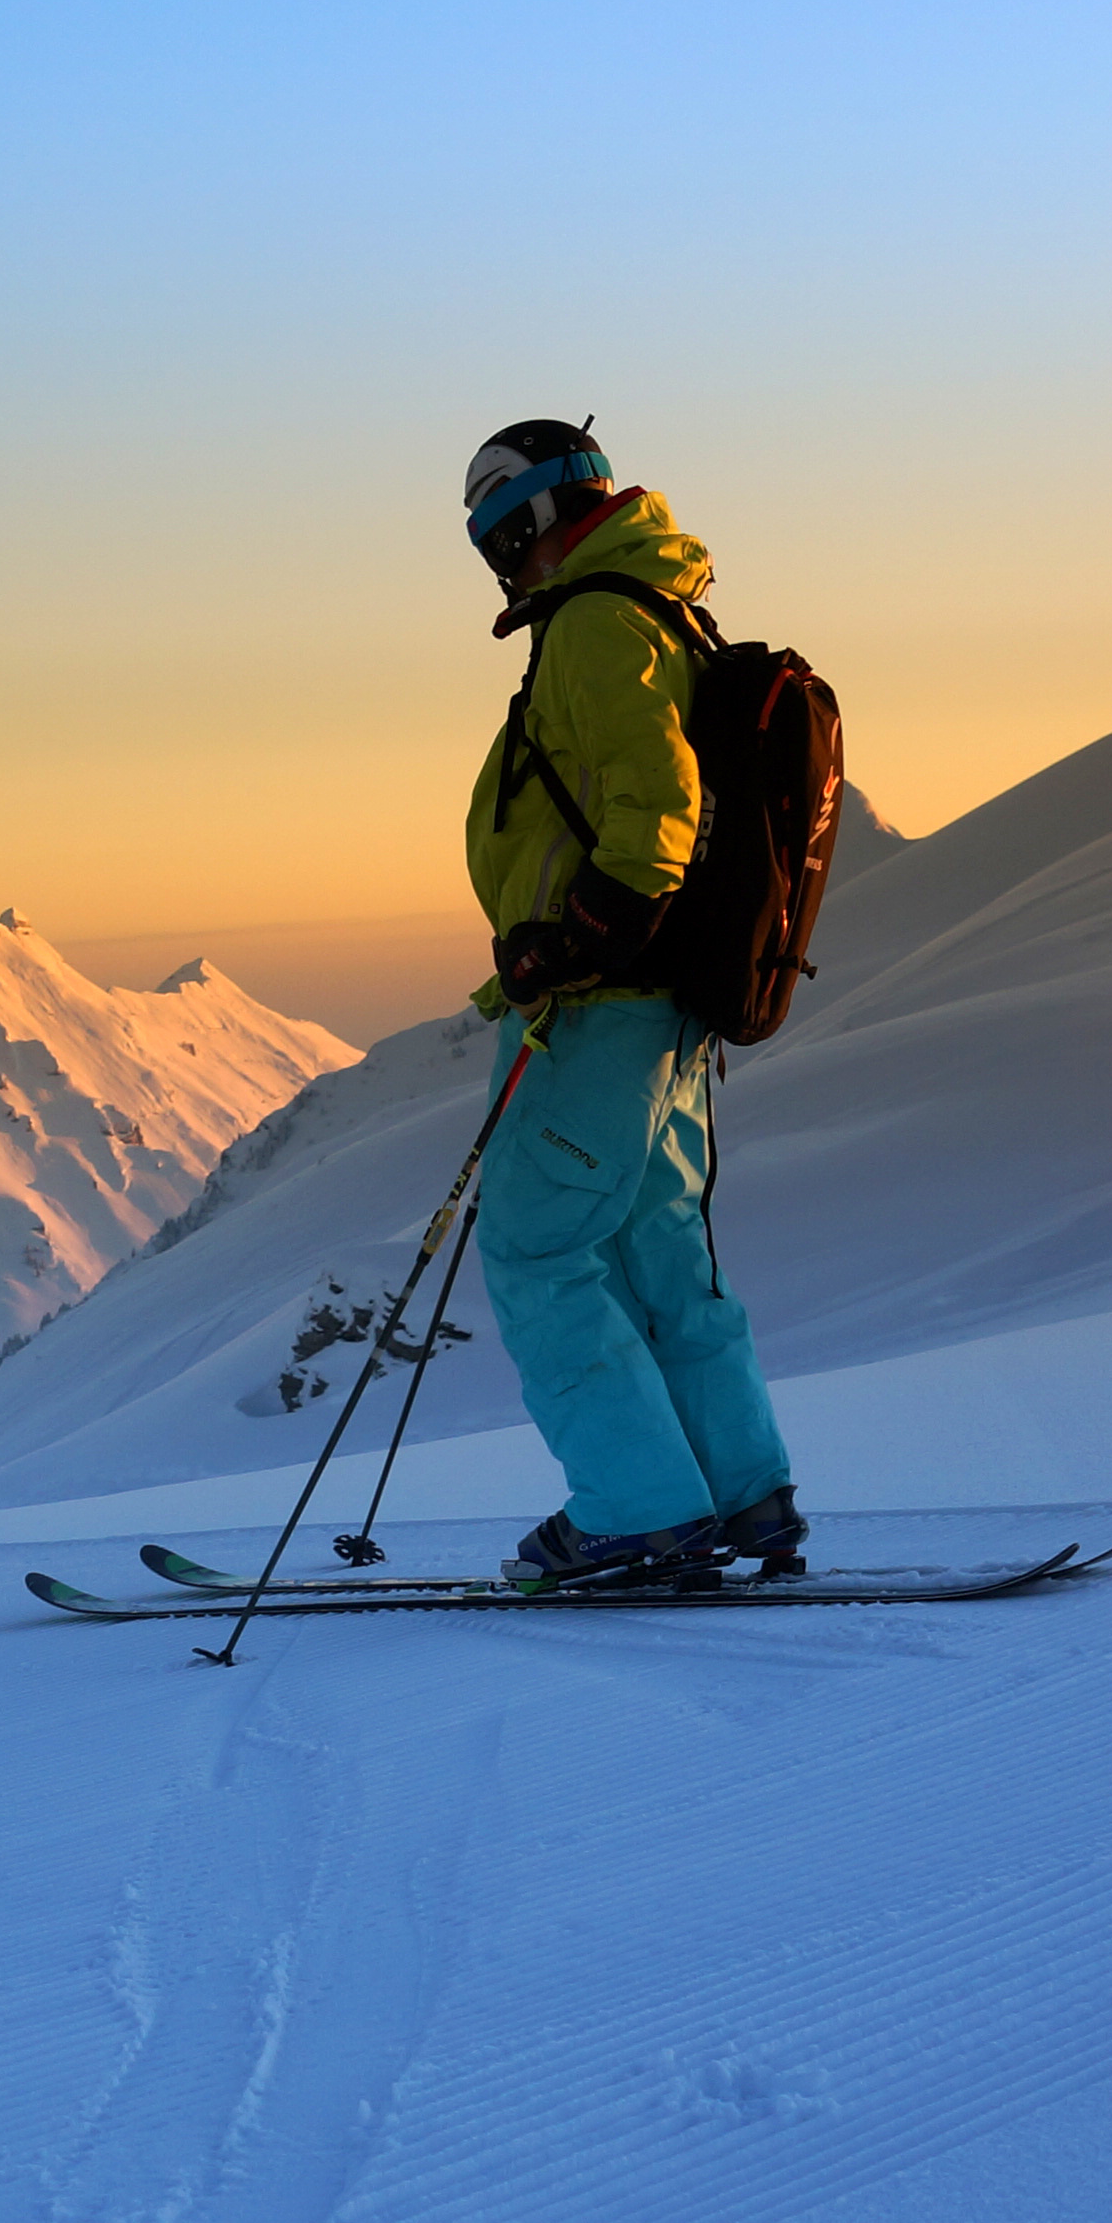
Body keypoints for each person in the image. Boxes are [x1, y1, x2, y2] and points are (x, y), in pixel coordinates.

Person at [453, 420, 806, 1584]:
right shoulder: (662, 609)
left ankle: (637, 1508)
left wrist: (581, 937)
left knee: (537, 1247)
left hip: (604, 1000)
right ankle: (739, 1491)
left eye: (502, 534)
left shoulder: (603, 622)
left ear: (542, 516)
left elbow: (656, 802)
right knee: (657, 1249)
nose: (503, 563)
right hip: (666, 1009)